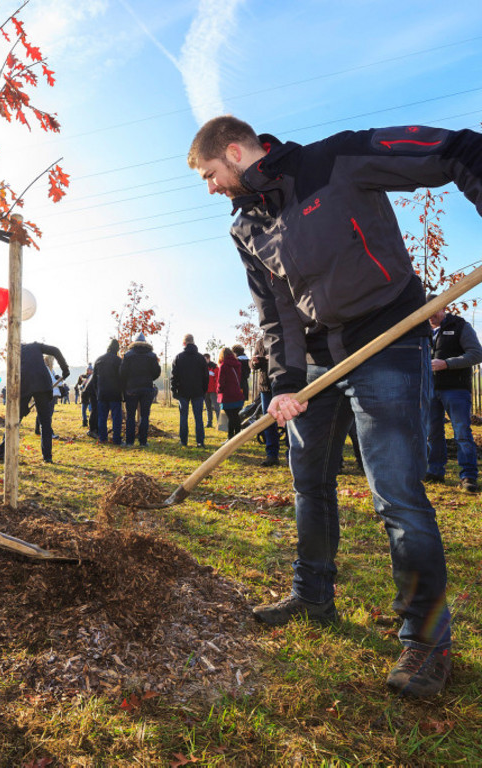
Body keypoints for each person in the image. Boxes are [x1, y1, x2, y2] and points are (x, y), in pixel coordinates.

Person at [187, 116, 482, 698]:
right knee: (309, 483)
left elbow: (456, 150)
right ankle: (313, 594)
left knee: (396, 492)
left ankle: (425, 641)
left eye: (210, 174)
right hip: (317, 366)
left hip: (388, 339)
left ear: (236, 150)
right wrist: (285, 381)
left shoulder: (334, 160)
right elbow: (276, 312)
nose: (211, 187)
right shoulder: (247, 224)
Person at [425, 295, 482, 492]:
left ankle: (468, 476)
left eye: (434, 311)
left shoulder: (460, 326)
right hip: (430, 389)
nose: (431, 316)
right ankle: (435, 471)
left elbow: (476, 354)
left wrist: (447, 364)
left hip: (456, 390)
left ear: (444, 308)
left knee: (462, 434)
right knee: (432, 433)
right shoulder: (421, 330)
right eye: (427, 313)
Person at [0, 342, 69, 464]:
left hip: (24, 385)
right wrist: (65, 369)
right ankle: (47, 457)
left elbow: (12, 376)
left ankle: (2, 452)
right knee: (45, 422)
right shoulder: (35, 346)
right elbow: (56, 349)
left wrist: (21, 404)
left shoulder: (14, 352)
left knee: (15, 419)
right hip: (42, 384)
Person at [120, 333, 161, 447]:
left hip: (131, 389)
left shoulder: (128, 355)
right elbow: (157, 372)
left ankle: (129, 441)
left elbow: (122, 372)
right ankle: (143, 441)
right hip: (147, 388)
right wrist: (149, 378)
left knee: (130, 416)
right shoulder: (152, 356)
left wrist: (127, 383)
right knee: (144, 416)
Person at [171, 334, 209, 448]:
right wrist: (203, 390)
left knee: (183, 417)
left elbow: (174, 376)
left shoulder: (178, 357)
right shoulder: (201, 358)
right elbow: (206, 376)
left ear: (184, 343)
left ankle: (183, 441)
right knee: (198, 418)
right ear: (193, 342)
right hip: (198, 391)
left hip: (183, 392)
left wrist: (174, 390)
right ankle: (200, 441)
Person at [250, 335, 281, 467]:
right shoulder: (259, 343)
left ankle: (292, 454)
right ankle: (272, 454)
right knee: (268, 421)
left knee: (290, 420)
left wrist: (265, 359)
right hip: (265, 387)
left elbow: (281, 358)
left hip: (282, 385)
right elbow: (253, 365)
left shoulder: (281, 338)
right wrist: (254, 362)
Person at [93, 339, 123, 445]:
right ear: (117, 349)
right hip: (115, 393)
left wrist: (97, 392)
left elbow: (94, 380)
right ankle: (116, 440)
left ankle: (102, 438)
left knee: (102, 418)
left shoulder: (98, 360)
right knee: (116, 418)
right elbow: (122, 377)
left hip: (102, 393)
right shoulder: (118, 361)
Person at [216, 347, 244, 439]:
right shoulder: (238, 364)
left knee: (231, 418)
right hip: (237, 394)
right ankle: (238, 437)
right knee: (236, 417)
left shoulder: (223, 366)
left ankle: (231, 438)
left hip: (227, 396)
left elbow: (221, 382)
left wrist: (219, 391)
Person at [203, 353, 220, 428]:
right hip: (205, 391)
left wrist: (217, 390)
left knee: (216, 407)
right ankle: (209, 423)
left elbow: (218, 379)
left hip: (213, 391)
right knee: (208, 407)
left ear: (208, 359)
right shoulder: (202, 367)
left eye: (205, 359)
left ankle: (219, 423)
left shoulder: (214, 367)